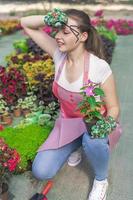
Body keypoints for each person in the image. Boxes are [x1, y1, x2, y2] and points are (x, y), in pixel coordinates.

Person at [20, 9, 122, 200]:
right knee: (41, 170)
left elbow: (114, 107)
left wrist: (105, 125)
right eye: (57, 30)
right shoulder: (58, 56)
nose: (58, 36)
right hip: (67, 124)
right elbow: (25, 23)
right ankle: (75, 145)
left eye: (66, 32)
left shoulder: (99, 67)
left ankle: (101, 179)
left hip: (94, 123)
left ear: (83, 36)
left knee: (93, 140)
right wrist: (50, 18)